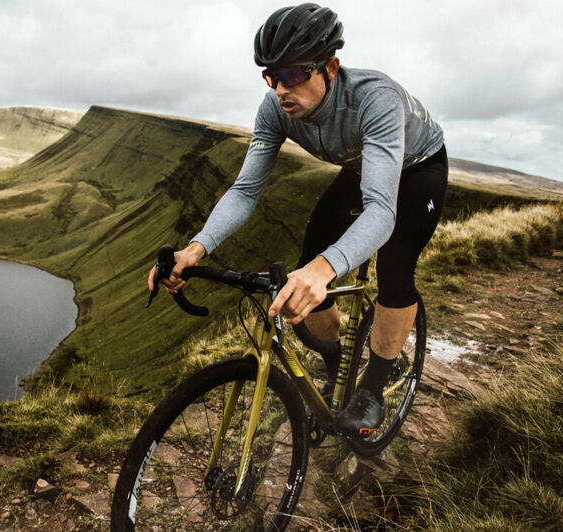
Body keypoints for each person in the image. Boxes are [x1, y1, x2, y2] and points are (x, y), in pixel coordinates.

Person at [147, 3, 448, 437]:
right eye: (271, 76)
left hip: (417, 168)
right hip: (360, 166)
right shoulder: (274, 109)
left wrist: (324, 270)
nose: (281, 88)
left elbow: (382, 209)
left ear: (331, 66)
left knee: (394, 267)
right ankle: (337, 372)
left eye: (293, 75)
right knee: (309, 263)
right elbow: (247, 189)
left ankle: (373, 390)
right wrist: (195, 249)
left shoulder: (374, 98)